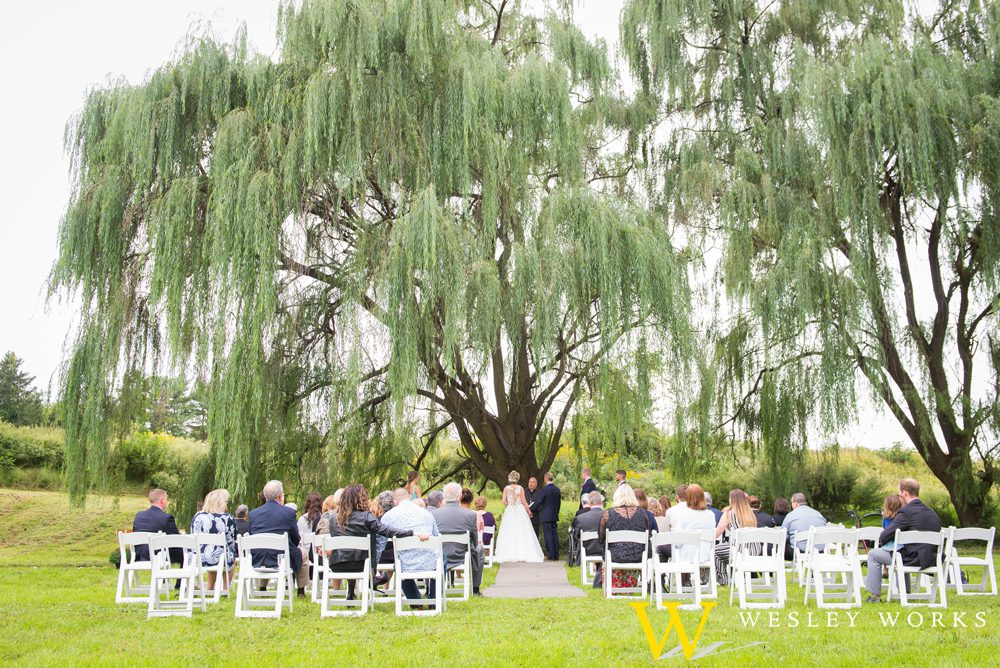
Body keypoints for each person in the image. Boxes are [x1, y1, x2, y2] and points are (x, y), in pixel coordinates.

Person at [328, 484, 418, 600]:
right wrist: (410, 533)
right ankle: (372, 578)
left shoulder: (333, 519)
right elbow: (386, 530)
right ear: (361, 499)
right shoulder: (366, 516)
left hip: (337, 564)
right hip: (362, 565)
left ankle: (351, 593)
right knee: (367, 543)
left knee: (351, 553)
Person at [865, 479, 941, 603]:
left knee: (873, 555)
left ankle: (875, 596)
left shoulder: (906, 512)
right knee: (903, 550)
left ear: (904, 493)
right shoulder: (931, 512)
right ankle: (905, 592)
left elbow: (885, 535)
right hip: (931, 558)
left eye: (899, 493)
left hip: (911, 558)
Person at [381, 488, 440, 605]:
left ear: (394, 500)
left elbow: (380, 541)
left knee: (397, 565)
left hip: (405, 563)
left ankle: (416, 602)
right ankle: (433, 600)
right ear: (409, 497)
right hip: (429, 562)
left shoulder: (388, 516)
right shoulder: (426, 513)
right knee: (441, 559)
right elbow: (436, 536)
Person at [435, 482, 485, 596]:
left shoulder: (434, 514)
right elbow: (475, 539)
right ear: (460, 496)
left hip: (440, 554)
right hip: (462, 555)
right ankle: (475, 588)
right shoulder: (470, 515)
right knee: (479, 549)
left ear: (444, 496)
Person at [249, 480, 302, 584]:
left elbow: (251, 537)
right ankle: (301, 591)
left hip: (258, 559)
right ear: (280, 496)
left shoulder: (253, 514)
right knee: (302, 554)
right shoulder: (289, 513)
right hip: (281, 558)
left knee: (264, 549)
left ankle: (262, 587)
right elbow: (296, 538)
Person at [598, 484, 650, 589]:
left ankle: (614, 585)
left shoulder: (607, 514)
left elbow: (600, 539)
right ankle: (630, 584)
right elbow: (647, 534)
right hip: (638, 556)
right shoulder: (643, 514)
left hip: (615, 556)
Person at [189, 488, 238, 593]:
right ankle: (225, 589)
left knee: (215, 552)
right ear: (222, 502)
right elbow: (231, 541)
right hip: (218, 557)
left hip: (198, 557)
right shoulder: (227, 518)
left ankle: (210, 588)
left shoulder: (198, 516)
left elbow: (192, 535)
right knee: (228, 554)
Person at [494, 471, 544, 563]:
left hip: (510, 510)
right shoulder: (520, 488)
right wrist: (529, 512)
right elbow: (524, 502)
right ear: (517, 479)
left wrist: (509, 504)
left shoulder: (506, 488)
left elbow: (503, 501)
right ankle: (523, 552)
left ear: (509, 479)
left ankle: (508, 553)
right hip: (520, 510)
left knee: (509, 530)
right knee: (522, 530)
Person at [714, 489, 758, 585]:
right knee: (725, 549)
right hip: (754, 550)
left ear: (731, 500)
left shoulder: (729, 514)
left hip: (739, 550)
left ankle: (724, 579)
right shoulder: (750, 514)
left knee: (715, 551)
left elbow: (716, 533)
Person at [670, 484, 717, 565]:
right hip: (706, 556)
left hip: (688, 557)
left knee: (677, 550)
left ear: (687, 499)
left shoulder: (684, 515)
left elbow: (678, 543)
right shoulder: (711, 515)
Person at [132, 488, 181, 564]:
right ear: (162, 501)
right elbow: (175, 540)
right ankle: (182, 576)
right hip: (159, 555)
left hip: (140, 555)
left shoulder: (139, 515)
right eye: (166, 500)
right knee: (186, 553)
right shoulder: (166, 518)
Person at [781, 492, 828, 560]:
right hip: (819, 551)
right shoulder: (819, 515)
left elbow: (783, 536)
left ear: (795, 503)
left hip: (798, 551)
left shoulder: (790, 515)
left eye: (791, 503)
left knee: (779, 545)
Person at [572, 490, 605, 586]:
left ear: (590, 504)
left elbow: (577, 536)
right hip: (604, 549)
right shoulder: (608, 516)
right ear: (602, 503)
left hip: (588, 550)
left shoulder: (581, 518)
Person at [534, 472, 563, 560]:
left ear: (546, 479)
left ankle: (551, 555)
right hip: (554, 515)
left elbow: (538, 501)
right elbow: (558, 503)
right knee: (554, 535)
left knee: (548, 535)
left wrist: (531, 509)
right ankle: (556, 555)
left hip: (546, 516)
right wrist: (556, 512)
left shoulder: (544, 490)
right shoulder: (557, 490)